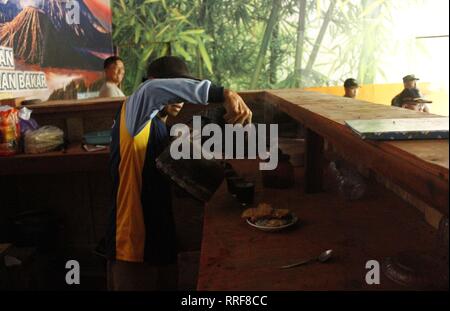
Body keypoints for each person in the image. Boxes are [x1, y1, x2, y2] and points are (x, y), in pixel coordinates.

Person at [105, 56, 252, 291]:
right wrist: (226, 94)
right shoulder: (134, 114)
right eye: (175, 90)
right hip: (132, 238)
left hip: (159, 230)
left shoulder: (161, 127)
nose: (180, 100)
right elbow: (152, 89)